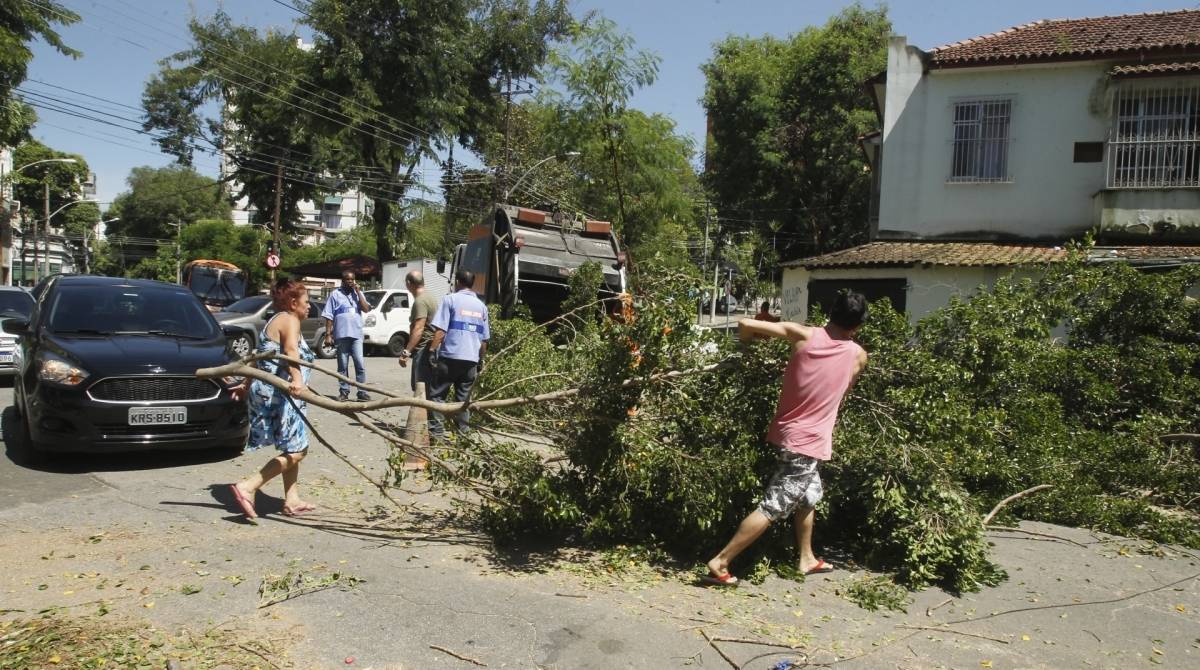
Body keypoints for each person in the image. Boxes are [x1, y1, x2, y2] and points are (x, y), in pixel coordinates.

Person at [703, 291, 869, 586]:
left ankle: (806, 557)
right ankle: (721, 561)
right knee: (774, 505)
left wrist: (748, 349)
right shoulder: (858, 355)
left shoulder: (802, 334)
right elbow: (844, 393)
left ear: (830, 313)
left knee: (810, 492)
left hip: (787, 431)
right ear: (857, 326)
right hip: (807, 441)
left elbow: (744, 323)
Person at [228, 278, 318, 520]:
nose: (309, 306)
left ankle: (292, 499)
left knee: (292, 445)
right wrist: (298, 380)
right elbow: (291, 353)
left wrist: (246, 384)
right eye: (306, 302)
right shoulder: (289, 320)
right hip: (284, 394)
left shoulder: (274, 319)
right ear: (292, 302)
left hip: (270, 391)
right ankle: (249, 486)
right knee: (298, 450)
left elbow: (260, 355)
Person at [426, 269, 490, 438]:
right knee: (463, 401)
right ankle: (464, 437)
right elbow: (484, 340)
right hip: (471, 360)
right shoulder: (482, 307)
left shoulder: (450, 300)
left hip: (450, 358)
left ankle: (436, 434)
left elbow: (440, 331)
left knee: (437, 396)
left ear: (457, 282)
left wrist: (432, 350)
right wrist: (480, 360)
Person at [322, 271, 372, 401]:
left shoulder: (357, 294)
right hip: (341, 335)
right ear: (342, 281)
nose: (350, 281)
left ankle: (361, 392)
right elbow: (328, 316)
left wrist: (359, 293)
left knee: (359, 364)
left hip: (356, 335)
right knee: (342, 365)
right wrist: (328, 335)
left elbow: (366, 309)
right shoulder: (335, 294)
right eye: (347, 279)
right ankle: (344, 391)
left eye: (352, 279)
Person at [397, 270, 440, 393]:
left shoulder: (420, 301)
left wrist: (406, 352)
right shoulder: (430, 296)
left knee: (420, 389)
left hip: (423, 350)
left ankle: (426, 413)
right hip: (429, 348)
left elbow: (419, 329)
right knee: (427, 388)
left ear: (409, 283)